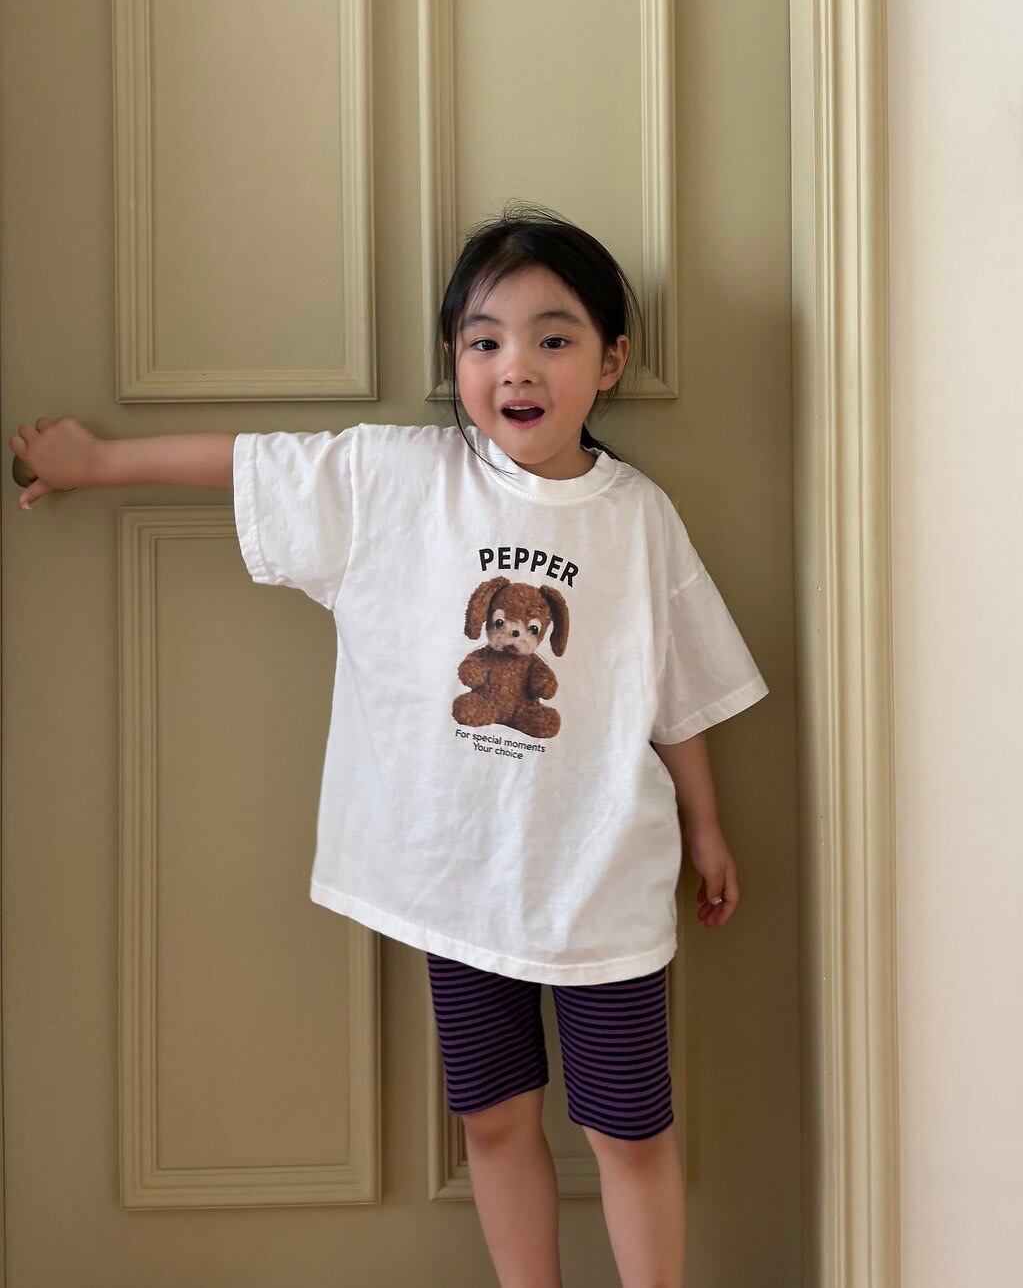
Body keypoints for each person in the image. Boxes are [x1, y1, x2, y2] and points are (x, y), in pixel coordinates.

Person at [8, 200, 768, 1288]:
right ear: (454, 357)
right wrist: (95, 461)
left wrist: (706, 823)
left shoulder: (637, 516)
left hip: (601, 884)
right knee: (495, 1120)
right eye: (484, 340)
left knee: (629, 1130)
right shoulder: (400, 479)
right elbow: (250, 464)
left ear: (611, 360)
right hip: (454, 883)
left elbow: (676, 689)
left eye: (553, 338)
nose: (516, 366)